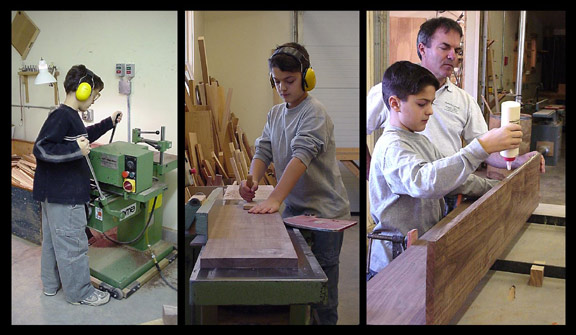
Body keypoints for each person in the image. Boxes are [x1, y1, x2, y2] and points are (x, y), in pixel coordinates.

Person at [367, 61, 522, 278]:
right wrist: (480, 148)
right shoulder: (392, 147)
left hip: (417, 251)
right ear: (395, 103)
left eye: (431, 103)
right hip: (393, 264)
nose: (429, 111)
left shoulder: (418, 140)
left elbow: (456, 179)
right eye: (422, 104)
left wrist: (497, 187)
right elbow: (425, 182)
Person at [239, 42, 351, 324]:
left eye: (289, 81)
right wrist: (252, 180)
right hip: (296, 213)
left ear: (306, 77)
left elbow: (301, 157)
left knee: (322, 293)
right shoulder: (275, 114)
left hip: (325, 216)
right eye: (277, 81)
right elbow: (263, 150)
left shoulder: (315, 112)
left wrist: (276, 197)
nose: (282, 88)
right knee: (297, 284)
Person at [366, 17, 544, 181]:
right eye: (444, 48)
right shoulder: (390, 92)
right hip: (409, 195)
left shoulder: (464, 100)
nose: (453, 56)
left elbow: (484, 149)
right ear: (422, 49)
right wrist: (372, 174)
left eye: (457, 50)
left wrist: (518, 160)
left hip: (449, 192)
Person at [33, 64, 123, 306]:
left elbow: (82, 136)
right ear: (82, 90)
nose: (94, 100)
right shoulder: (62, 115)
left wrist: (108, 123)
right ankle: (80, 293)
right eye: (95, 94)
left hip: (53, 194)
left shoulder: (70, 117)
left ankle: (51, 285)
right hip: (66, 197)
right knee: (73, 245)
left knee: (53, 242)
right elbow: (41, 148)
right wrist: (76, 150)